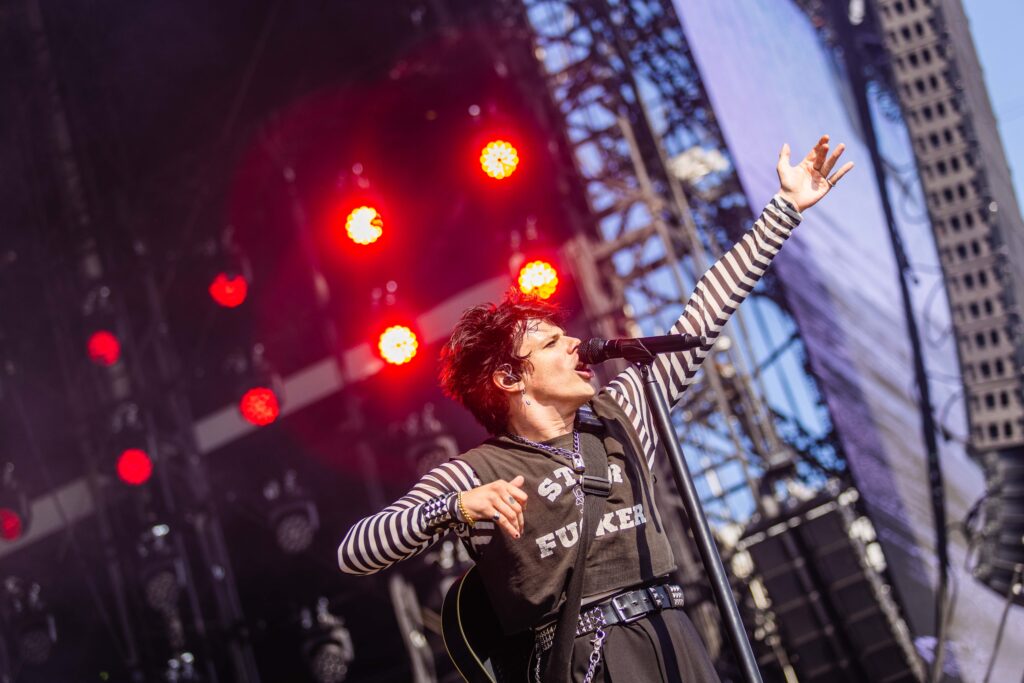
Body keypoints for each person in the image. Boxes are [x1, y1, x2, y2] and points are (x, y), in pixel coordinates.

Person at [338, 136, 854, 682]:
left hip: (672, 637)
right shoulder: (475, 473)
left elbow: (700, 320)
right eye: (550, 342)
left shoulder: (621, 412)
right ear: (509, 378)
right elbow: (356, 549)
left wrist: (784, 210)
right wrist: (453, 508)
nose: (572, 346)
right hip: (584, 660)